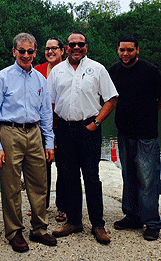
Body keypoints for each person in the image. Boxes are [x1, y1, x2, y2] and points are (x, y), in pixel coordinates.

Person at [0, 33, 57, 252]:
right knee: (11, 185)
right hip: (10, 132)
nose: (26, 55)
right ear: (14, 51)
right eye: (22, 51)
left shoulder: (40, 79)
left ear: (35, 52)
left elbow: (46, 112)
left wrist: (49, 141)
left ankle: (39, 229)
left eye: (30, 51)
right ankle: (14, 231)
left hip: (34, 132)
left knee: (39, 183)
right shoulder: (2, 77)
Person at [48, 31, 118, 244]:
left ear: (86, 47)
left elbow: (111, 98)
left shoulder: (97, 69)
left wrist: (96, 123)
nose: (76, 48)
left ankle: (98, 224)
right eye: (72, 45)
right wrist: (52, 133)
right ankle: (74, 221)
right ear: (66, 48)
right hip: (65, 129)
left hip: (89, 129)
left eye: (80, 44)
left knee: (92, 177)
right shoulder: (57, 71)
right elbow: (50, 104)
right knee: (69, 177)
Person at [108, 35, 161, 241]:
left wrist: (147, 114)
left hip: (146, 135)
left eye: (130, 50)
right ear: (118, 50)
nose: (126, 54)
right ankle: (132, 215)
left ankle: (152, 222)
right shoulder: (114, 71)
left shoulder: (150, 70)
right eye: (122, 50)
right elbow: (108, 98)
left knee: (148, 179)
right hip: (124, 133)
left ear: (137, 50)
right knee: (129, 176)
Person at [34, 37, 66, 222]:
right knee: (40, 168)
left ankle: (62, 206)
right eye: (47, 48)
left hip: (61, 126)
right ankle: (41, 205)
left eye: (54, 48)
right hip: (40, 127)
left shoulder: (68, 70)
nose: (50, 51)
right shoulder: (37, 70)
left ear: (62, 50)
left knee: (63, 167)